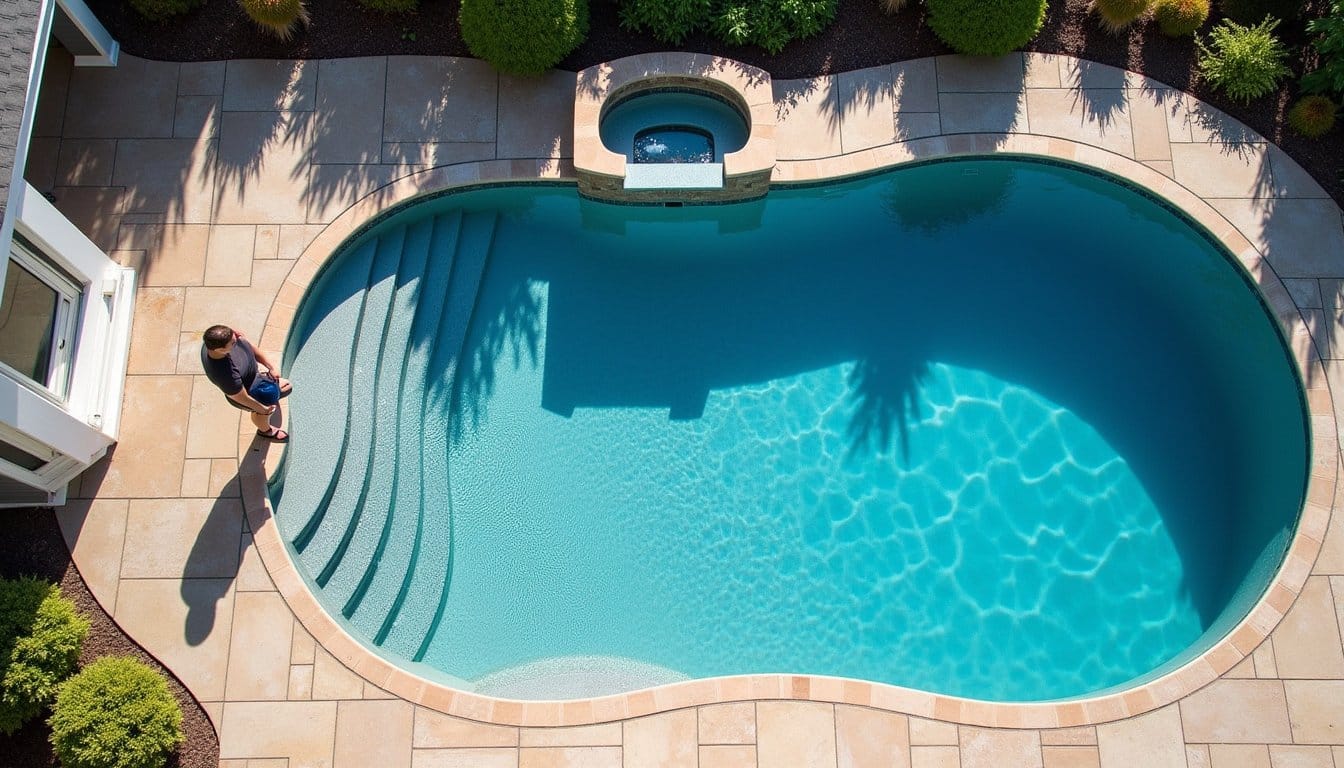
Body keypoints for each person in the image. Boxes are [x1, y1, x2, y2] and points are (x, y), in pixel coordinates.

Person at [200, 324, 292, 442]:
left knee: (286, 386)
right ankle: (265, 431)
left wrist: (270, 367)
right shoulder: (225, 375)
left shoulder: (220, 341)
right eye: (233, 343)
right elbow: (242, 398)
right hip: (247, 392)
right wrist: (263, 409)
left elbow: (248, 347)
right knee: (265, 409)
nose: (238, 340)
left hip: (254, 378)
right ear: (220, 350)